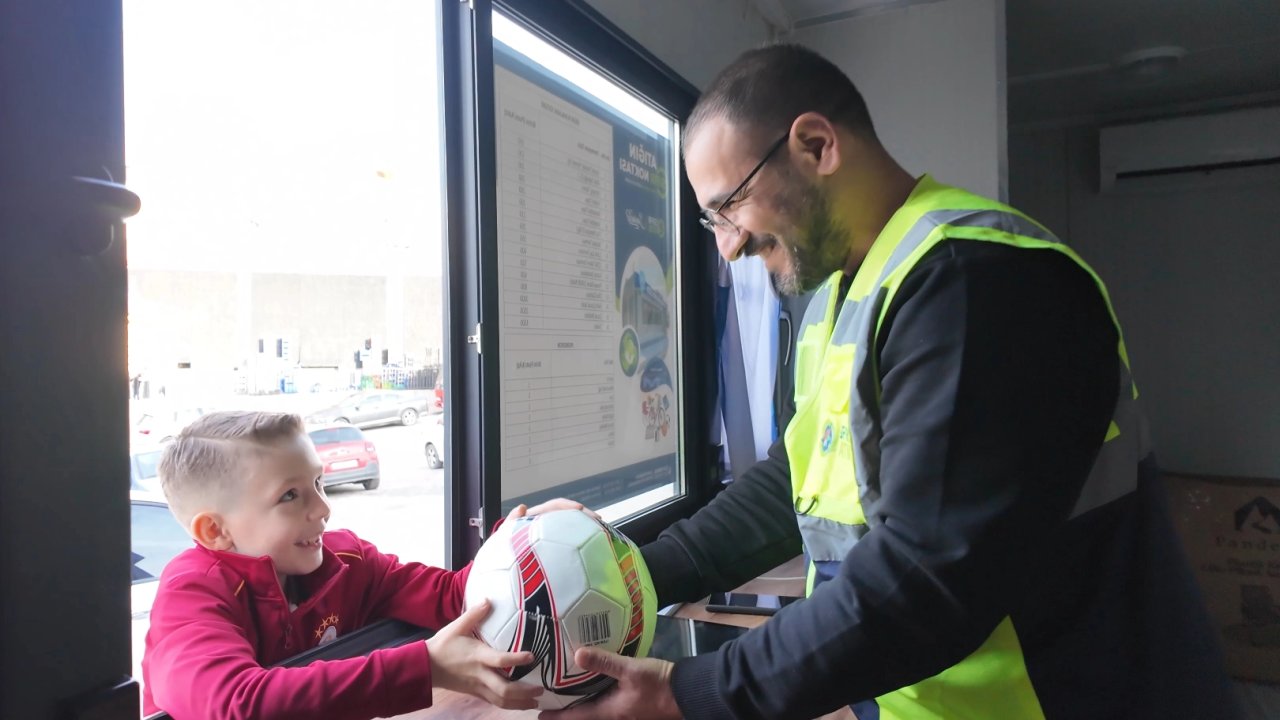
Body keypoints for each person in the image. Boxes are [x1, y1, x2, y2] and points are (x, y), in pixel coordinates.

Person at [547, 45, 1236, 720]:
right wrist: (631, 578)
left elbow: (925, 580)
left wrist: (689, 694)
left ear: (816, 145)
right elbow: (790, 487)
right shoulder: (844, 297)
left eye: (730, 207)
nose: (727, 245)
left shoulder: (977, 283)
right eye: (712, 221)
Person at [142, 410, 556, 720]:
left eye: (318, 484)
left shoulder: (346, 560)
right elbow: (237, 704)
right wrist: (425, 667)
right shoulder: (190, 592)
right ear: (215, 531)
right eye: (290, 496)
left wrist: (522, 538)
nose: (323, 509)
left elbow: (456, 596)